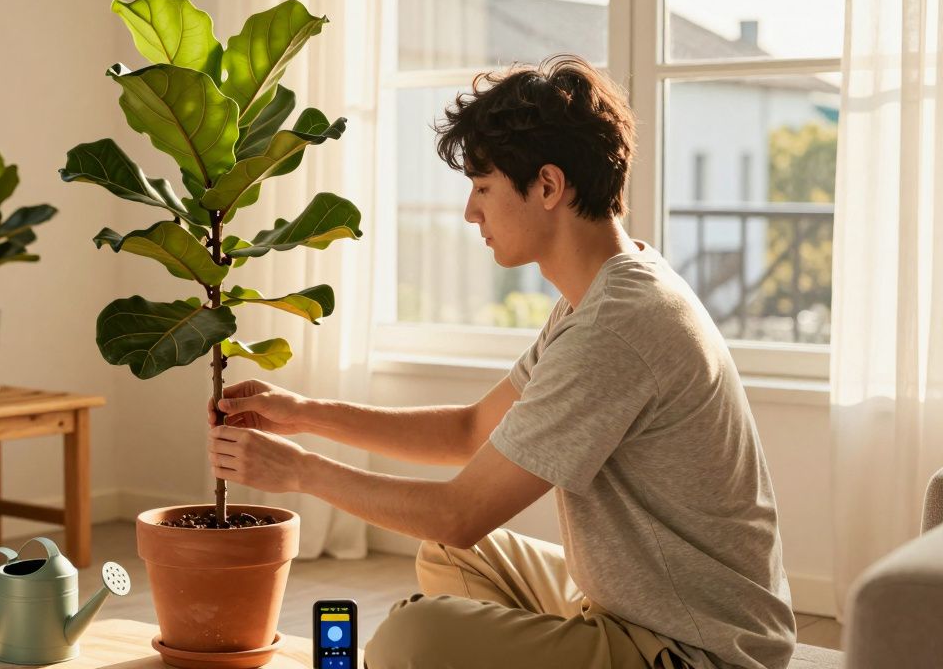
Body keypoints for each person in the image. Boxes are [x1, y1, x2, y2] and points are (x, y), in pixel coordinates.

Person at [206, 54, 795, 669]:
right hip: (630, 609)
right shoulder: (603, 292)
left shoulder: (616, 326)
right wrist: (306, 413)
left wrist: (300, 472)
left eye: (483, 188)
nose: (470, 212)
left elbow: (460, 512)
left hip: (698, 649)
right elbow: (471, 431)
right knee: (452, 556)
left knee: (412, 637)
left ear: (547, 186)